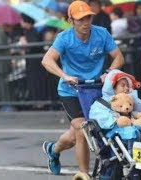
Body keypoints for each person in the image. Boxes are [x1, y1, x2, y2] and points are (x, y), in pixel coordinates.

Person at [41, 0, 125, 176]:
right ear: (71, 21)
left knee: (76, 135)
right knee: (82, 129)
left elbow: (118, 57)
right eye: (80, 19)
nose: (86, 22)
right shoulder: (64, 38)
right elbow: (47, 60)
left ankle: (53, 150)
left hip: (96, 88)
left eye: (88, 18)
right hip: (71, 91)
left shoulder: (101, 34)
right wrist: (65, 76)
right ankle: (84, 174)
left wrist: (109, 72)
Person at [89, 69, 141, 180]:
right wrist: (116, 120)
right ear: (113, 87)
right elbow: (98, 117)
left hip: (134, 128)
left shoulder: (129, 99)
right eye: (122, 85)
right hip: (116, 133)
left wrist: (132, 95)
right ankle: (134, 171)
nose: (126, 88)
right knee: (132, 132)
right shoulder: (100, 103)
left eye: (127, 86)